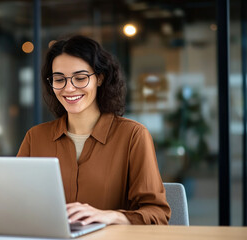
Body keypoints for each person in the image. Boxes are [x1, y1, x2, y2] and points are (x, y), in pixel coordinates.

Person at [17, 35, 171, 225]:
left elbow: (157, 213)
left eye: (80, 78)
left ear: (99, 78)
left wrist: (111, 216)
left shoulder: (133, 136)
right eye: (59, 79)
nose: (69, 88)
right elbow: (16, 202)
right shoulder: (35, 137)